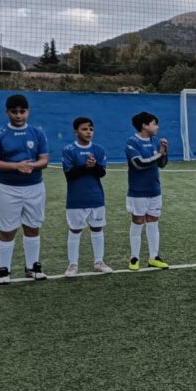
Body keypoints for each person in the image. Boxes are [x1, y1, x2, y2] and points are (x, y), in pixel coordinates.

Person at [0, 94, 50, 284]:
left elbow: (44, 160)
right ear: (7, 112)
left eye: (22, 111)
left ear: (28, 111)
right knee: (7, 230)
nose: (19, 115)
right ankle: (4, 270)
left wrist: (32, 166)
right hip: (7, 189)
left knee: (33, 227)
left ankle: (32, 267)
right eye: (14, 112)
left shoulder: (37, 133)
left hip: (34, 188)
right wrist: (16, 166)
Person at [62, 117, 112, 277]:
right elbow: (69, 174)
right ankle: (73, 265)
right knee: (75, 230)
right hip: (76, 199)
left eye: (91, 129)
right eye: (84, 129)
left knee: (97, 229)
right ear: (75, 132)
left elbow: (102, 173)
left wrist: (94, 165)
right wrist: (85, 166)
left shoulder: (99, 149)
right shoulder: (69, 150)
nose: (88, 132)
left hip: (96, 198)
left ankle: (99, 262)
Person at [125, 111, 169, 271]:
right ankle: (134, 258)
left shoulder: (156, 141)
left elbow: (162, 164)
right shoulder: (132, 142)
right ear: (144, 125)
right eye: (154, 123)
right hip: (138, 191)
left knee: (153, 222)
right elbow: (139, 164)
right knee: (137, 222)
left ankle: (154, 257)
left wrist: (164, 151)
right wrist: (159, 154)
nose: (157, 127)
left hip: (154, 190)